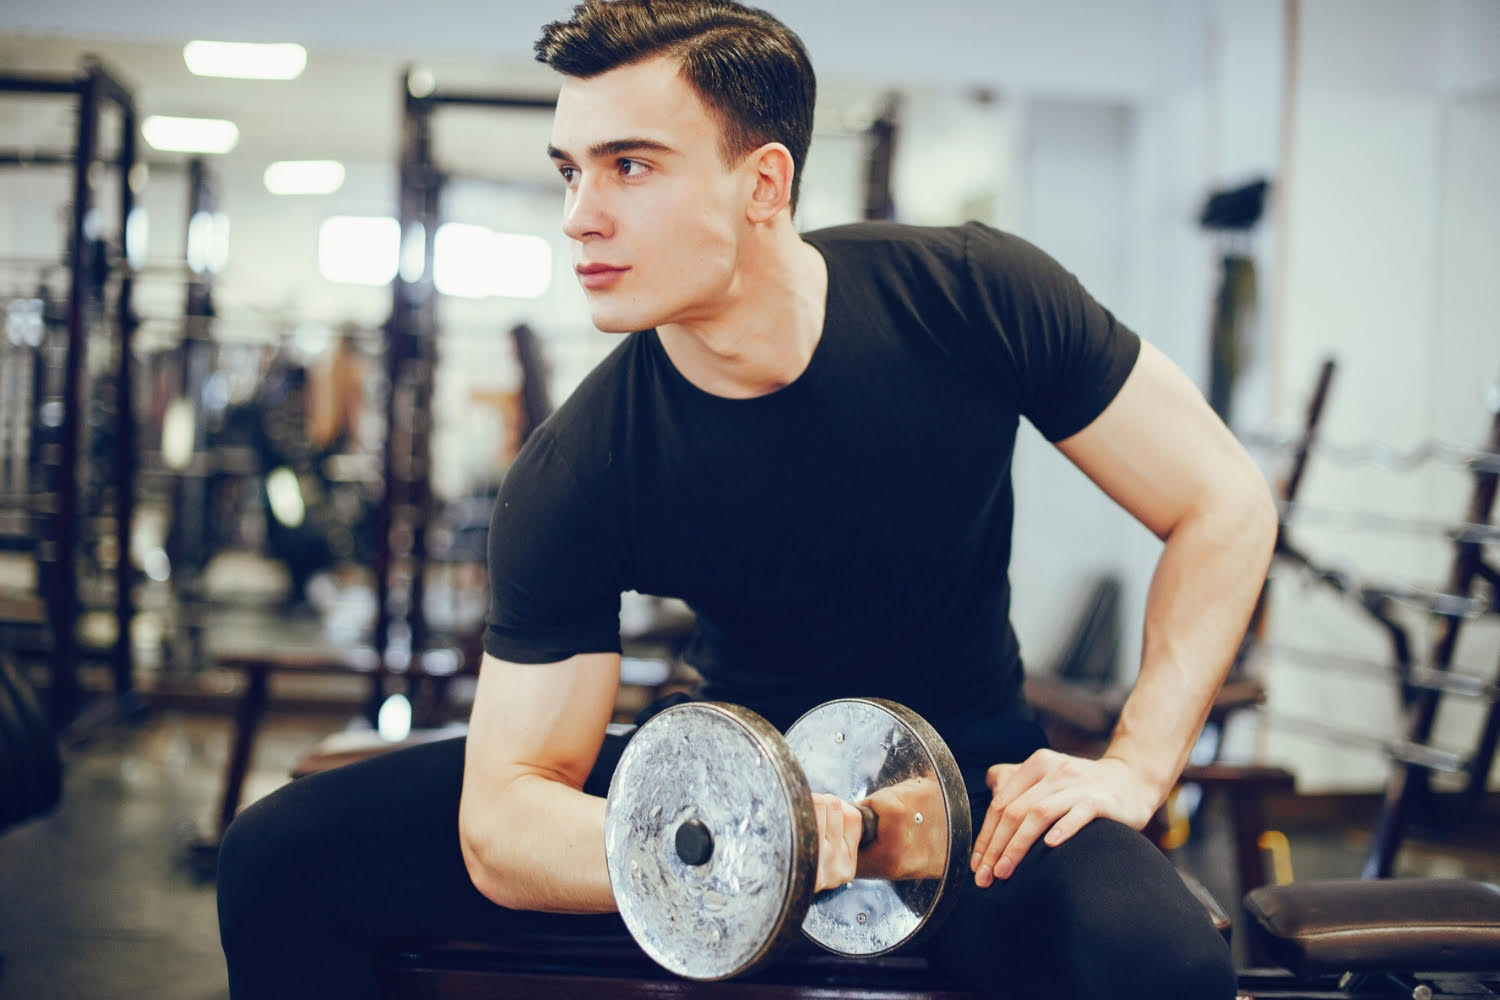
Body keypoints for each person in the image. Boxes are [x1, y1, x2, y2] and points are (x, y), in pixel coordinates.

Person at [216, 3, 1277, 998]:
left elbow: (1223, 503)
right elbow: (503, 819)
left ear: (763, 183)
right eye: (571, 171)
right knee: (281, 858)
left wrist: (1137, 767)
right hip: (721, 786)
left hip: (966, 798)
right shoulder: (581, 465)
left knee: (1158, 959)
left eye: (630, 166)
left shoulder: (970, 296)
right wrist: (754, 833)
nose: (581, 215)